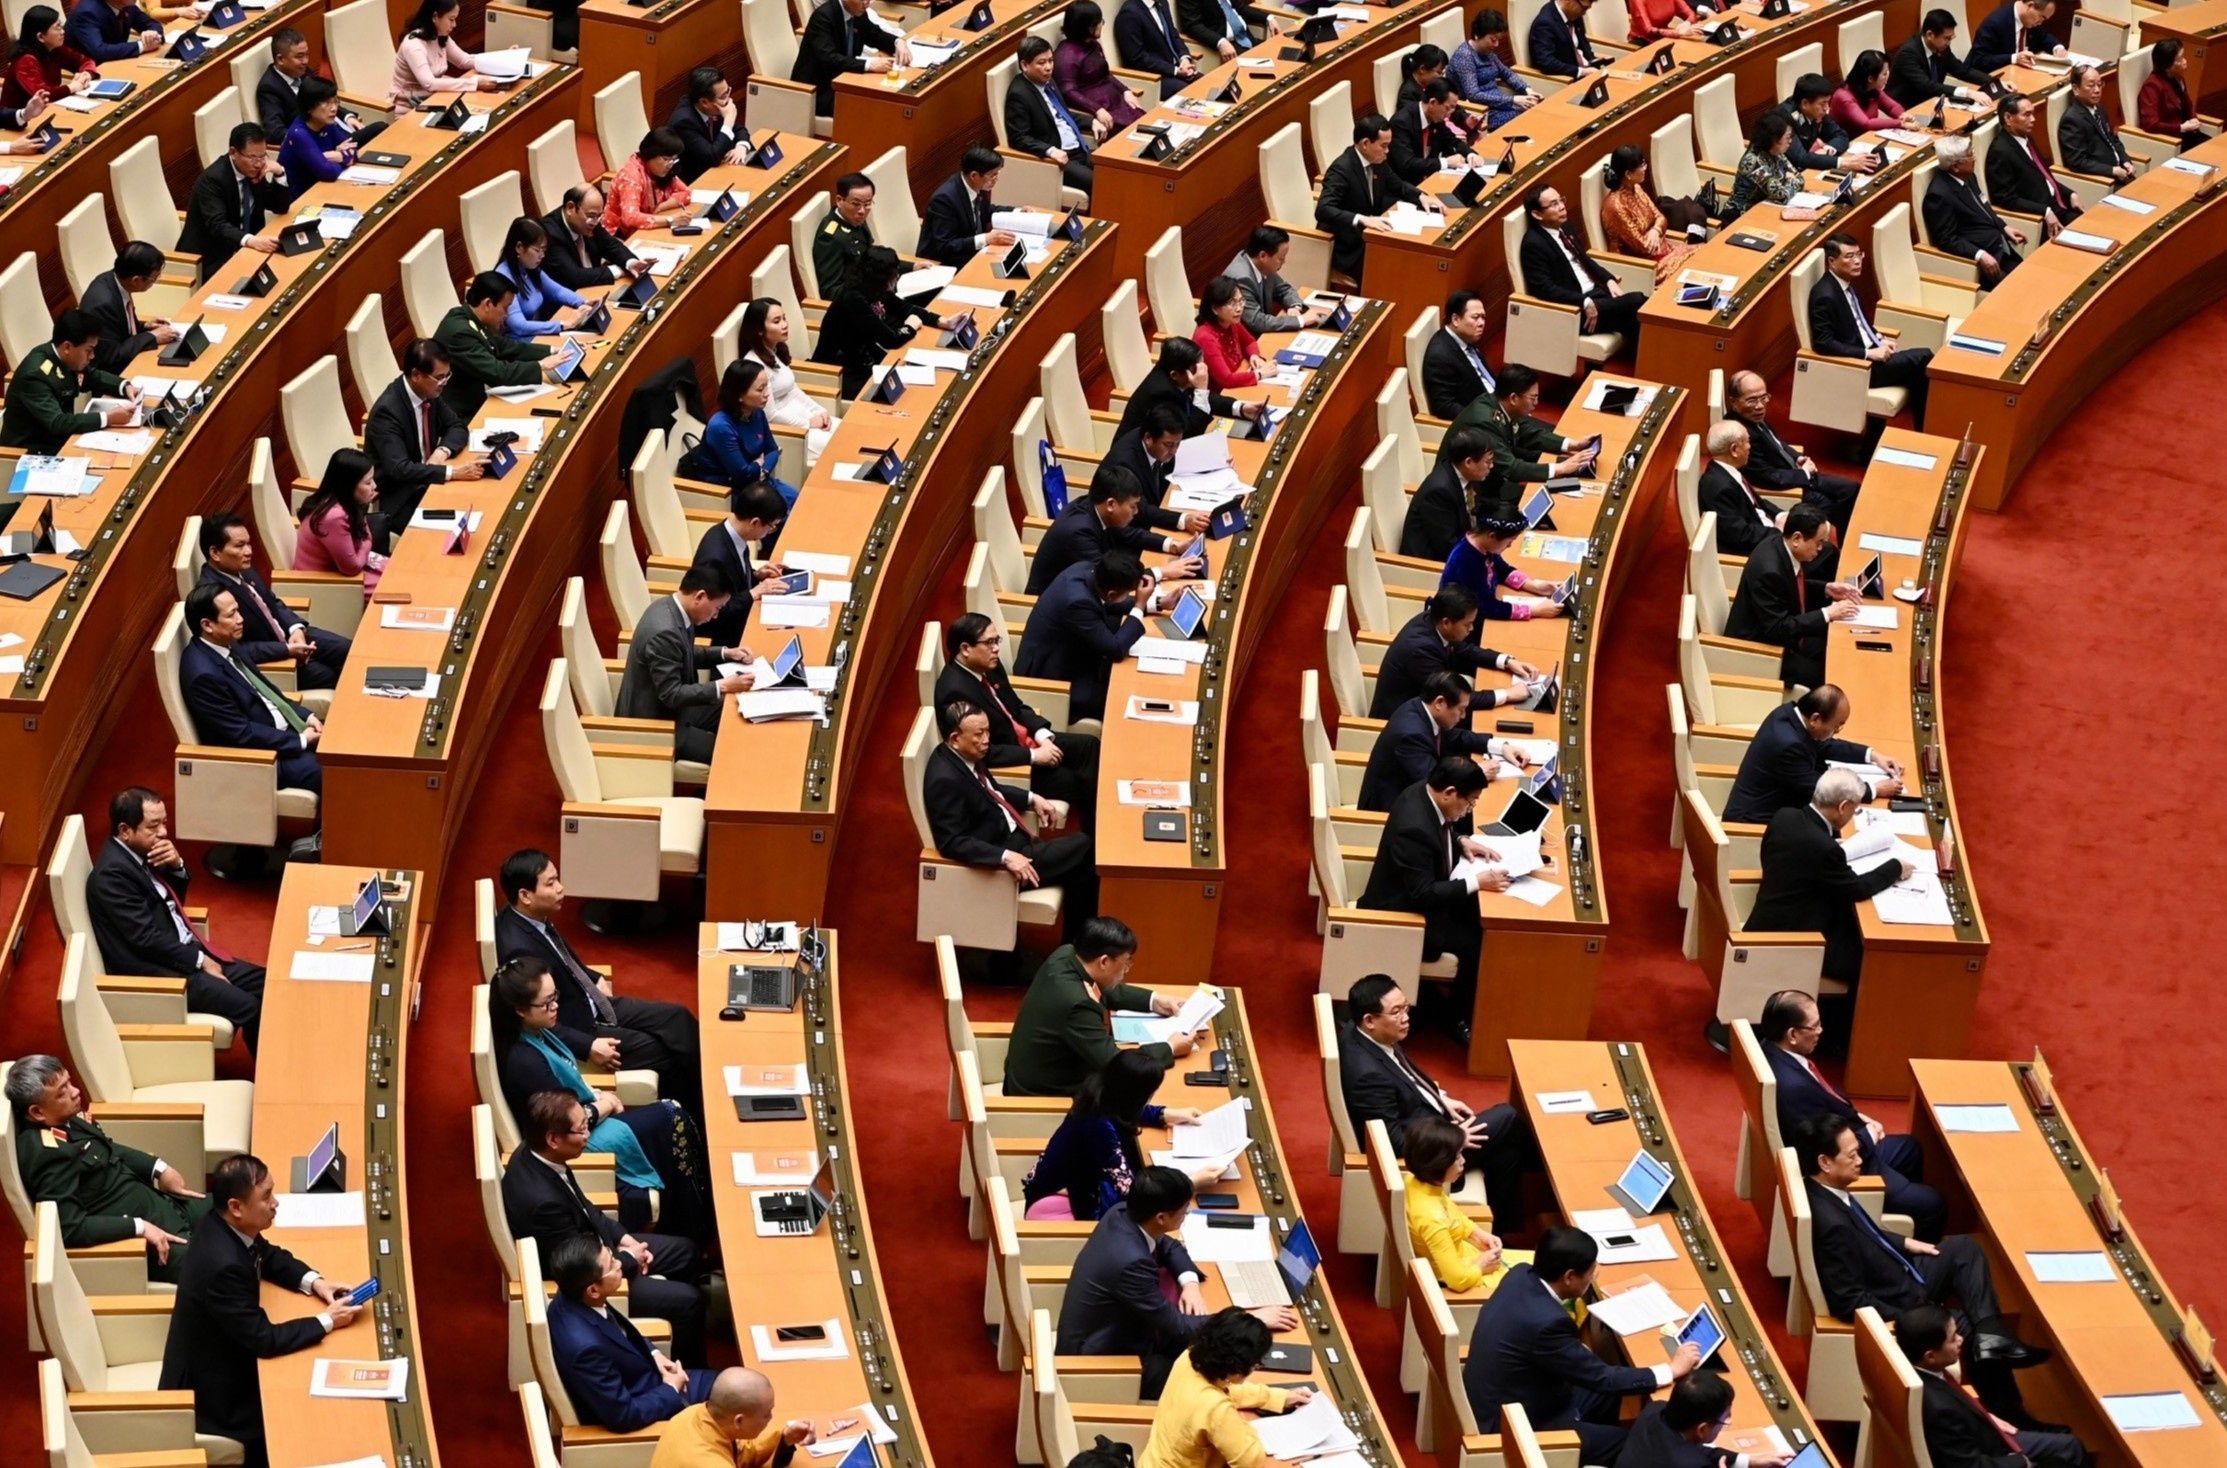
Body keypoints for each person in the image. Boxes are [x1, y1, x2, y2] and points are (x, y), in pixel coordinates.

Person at [1796, 1115, 2054, 1413]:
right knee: (1963, 1326)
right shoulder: (1832, 1226)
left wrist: (1905, 1242)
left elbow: (1866, 1234)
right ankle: (2010, 1414)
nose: (1860, 1160)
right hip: (1897, 1299)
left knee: (1962, 1249)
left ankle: (1991, 1333)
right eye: (1852, 1155)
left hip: (1898, 1273)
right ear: (1825, 1162)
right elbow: (1848, 1300)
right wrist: (1912, 1317)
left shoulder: (1826, 1190)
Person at [159, 1155, 363, 1467]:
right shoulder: (223, 1266)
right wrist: (327, 1320)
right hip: (211, 1397)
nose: (275, 1203)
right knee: (296, 1421)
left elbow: (265, 1253)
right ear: (236, 1207)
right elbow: (264, 1339)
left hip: (220, 1354)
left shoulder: (221, 1223)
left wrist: (315, 1282)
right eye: (266, 1197)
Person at [489, 955, 709, 1227]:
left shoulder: (535, 1030)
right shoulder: (526, 1063)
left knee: (670, 1118)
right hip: (572, 1138)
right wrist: (606, 1104)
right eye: (546, 1003)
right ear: (521, 1010)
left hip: (580, 1115)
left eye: (555, 996)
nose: (555, 1006)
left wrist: (597, 1097)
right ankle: (691, 1222)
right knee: (672, 1116)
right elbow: (566, 1123)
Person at [1464, 1226, 1702, 1463]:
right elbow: (1604, 1378)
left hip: (1505, 1394)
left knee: (1607, 1395)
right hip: (1515, 1425)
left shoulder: (1520, 1274)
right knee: (1626, 1442)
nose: (1593, 1277)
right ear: (1569, 1277)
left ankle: (1587, 1454)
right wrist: (1671, 1370)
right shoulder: (1547, 1323)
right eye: (1591, 1272)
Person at [501, 1090, 708, 1362]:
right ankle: (688, 1367)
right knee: (690, 1302)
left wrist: (624, 1239)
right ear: (553, 1139)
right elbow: (580, 1272)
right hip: (587, 1286)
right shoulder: (543, 1204)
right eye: (581, 1130)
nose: (588, 1135)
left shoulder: (537, 1152)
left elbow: (585, 1207)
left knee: (687, 1252)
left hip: (597, 1248)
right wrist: (628, 1259)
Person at [496, 850, 707, 1112]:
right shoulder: (519, 950)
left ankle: (707, 1083)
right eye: (550, 884)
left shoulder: (527, 916)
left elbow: (562, 960)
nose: (561, 888)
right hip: (581, 1028)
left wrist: (593, 978)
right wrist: (587, 1046)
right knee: (665, 1054)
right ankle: (693, 1118)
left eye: (557, 879)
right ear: (525, 895)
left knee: (678, 1017)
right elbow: (532, 1019)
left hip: (592, 1000)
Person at [1054, 1167, 1296, 1394]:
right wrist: (1249, 1320)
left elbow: (1168, 1246)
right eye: (1184, 1210)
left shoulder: (1122, 1213)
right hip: (1098, 1363)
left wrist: (1189, 1283)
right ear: (1161, 1217)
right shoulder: (1131, 1262)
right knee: (1207, 1377)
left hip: (1124, 1330)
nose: (1186, 1214)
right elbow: (1179, 1327)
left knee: (1207, 1351)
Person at [1342, 974, 1539, 1228]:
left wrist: (1440, 1097)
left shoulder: (1364, 1032)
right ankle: (1548, 1173)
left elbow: (1404, 1078)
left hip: (1429, 1121)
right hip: (1429, 1156)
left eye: (1406, 1007)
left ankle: (1504, 1227)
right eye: (1396, 1012)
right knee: (1507, 1118)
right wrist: (1453, 1137)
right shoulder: (1368, 1075)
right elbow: (1394, 1143)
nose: (1406, 1017)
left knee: (1506, 1149)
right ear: (1369, 1020)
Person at [84, 786, 267, 1047]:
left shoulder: (139, 853)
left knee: (270, 984)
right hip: (162, 975)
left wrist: (176, 866)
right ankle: (270, 1069)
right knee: (251, 1007)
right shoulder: (112, 876)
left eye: (165, 823)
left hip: (183, 952)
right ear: (125, 830)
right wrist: (201, 961)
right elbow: (145, 939)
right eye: (153, 826)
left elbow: (169, 904)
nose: (163, 833)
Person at [1758, 988, 1944, 1236]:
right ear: (1792, 1034)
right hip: (1842, 1168)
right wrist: (1867, 1136)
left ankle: (1891, 1219)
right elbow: (1825, 1153)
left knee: (1910, 1148)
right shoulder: (1794, 1089)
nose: (1820, 1031)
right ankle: (1905, 1253)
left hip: (1841, 1134)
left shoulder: (1772, 1050)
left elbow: (1823, 1099)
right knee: (1932, 1204)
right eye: (1814, 1026)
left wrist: (1857, 1118)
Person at [7, 1054, 212, 1278]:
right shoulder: (48, 1154)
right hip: (151, 1241)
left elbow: (109, 1149)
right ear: (37, 1112)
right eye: (62, 1092)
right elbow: (70, 1228)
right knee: (225, 1267)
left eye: (69, 1082)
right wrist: (139, 1227)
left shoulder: (67, 1118)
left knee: (234, 1201)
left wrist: (159, 1168)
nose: (75, 1092)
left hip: (164, 1205)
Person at [921, 698, 1100, 931]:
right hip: (1002, 862)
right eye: (979, 734)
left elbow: (990, 790)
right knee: (1085, 847)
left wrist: (1031, 798)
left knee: (1077, 869)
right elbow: (951, 842)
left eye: (987, 731)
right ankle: (1083, 939)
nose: (987, 740)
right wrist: (1005, 856)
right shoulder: (944, 780)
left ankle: (1076, 938)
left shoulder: (964, 754)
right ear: (955, 739)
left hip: (1015, 839)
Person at [1357, 758, 1505, 1036]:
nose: (1471, 808)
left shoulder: (1422, 791)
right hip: (1403, 916)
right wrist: (1478, 881)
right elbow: (1423, 894)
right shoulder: (1414, 829)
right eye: (1470, 801)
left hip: (1421, 896)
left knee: (1476, 915)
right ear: (1449, 792)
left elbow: (1439, 830)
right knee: (1478, 942)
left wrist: (1460, 840)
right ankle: (1457, 1019)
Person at [1745, 769, 1909, 984]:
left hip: (1770, 914)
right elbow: (1857, 889)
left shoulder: (1784, 816)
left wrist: (1830, 843)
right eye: (1855, 809)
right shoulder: (1825, 849)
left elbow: (1801, 853)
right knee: (1874, 963)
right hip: (1795, 939)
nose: (1853, 814)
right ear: (1843, 807)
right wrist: (1896, 867)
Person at [542, 1233, 716, 1431]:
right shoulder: (586, 1350)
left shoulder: (572, 1292)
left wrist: (655, 1354)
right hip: (653, 1402)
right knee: (734, 1391)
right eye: (611, 1265)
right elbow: (624, 1415)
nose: (619, 1264)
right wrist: (672, 1389)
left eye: (611, 1255)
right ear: (593, 1290)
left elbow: (621, 1332)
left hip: (649, 1374)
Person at [936, 611, 1102, 818]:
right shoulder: (955, 692)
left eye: (997, 641)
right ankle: (1096, 831)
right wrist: (1034, 756)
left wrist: (1043, 736)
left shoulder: (989, 665)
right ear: (965, 649)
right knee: (1081, 782)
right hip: (1013, 759)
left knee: (1089, 745)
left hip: (1025, 739)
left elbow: (1016, 706)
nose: (996, 648)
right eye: (989, 643)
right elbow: (978, 750)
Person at [1003, 916, 1188, 1096]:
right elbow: (1118, 1066)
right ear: (1104, 961)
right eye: (1126, 963)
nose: (1126, 970)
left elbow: (1103, 987)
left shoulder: (1067, 954)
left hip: (1035, 1073)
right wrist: (1169, 1048)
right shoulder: (1078, 1005)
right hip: (1044, 1094)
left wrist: (1155, 1001)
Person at [177, 583, 324, 799]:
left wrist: (307, 716)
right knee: (335, 771)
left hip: (283, 732)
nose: (241, 619)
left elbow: (267, 691)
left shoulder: (227, 643)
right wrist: (301, 740)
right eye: (231, 615)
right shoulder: (203, 675)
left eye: (238, 610)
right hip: (264, 757)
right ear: (207, 625)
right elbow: (241, 734)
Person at [1023, 1050, 1210, 1219]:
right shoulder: (1100, 1128)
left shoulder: (1097, 1093)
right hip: (1060, 1208)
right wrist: (1189, 1183)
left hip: (1070, 1188)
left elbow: (1120, 1108)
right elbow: (1131, 1191)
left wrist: (1164, 1114)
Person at [1896, 1306, 2089, 1467]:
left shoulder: (1911, 1366)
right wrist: (2020, 1462)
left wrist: (1986, 1416)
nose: (1961, 1339)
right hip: (1991, 1452)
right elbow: (1969, 1465)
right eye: (1953, 1338)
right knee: (2068, 1453)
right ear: (1930, 1356)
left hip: (1980, 1430)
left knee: (2069, 1446)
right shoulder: (1939, 1410)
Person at [612, 563, 753, 766]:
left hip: (673, 709)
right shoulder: (664, 632)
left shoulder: (670, 607)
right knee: (730, 751)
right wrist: (722, 686)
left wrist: (725, 653)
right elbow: (672, 694)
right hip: (655, 725)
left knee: (736, 707)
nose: (716, 616)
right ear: (700, 596)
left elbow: (683, 653)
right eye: (717, 608)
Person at [1139, 1307, 1314, 1467]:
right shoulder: (1215, 1409)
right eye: (1256, 1364)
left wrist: (1277, 1398)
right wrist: (1245, 1429)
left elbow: (1227, 1388)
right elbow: (1250, 1460)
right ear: (1237, 1367)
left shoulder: (1190, 1357)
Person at [198, 513, 351, 690]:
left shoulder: (242, 568)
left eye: (248, 544)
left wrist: (295, 629)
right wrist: (286, 650)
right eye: (240, 546)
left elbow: (272, 601)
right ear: (215, 553)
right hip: (275, 659)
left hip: (289, 635)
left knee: (349, 651)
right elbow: (234, 649)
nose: (248, 551)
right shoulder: (213, 595)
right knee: (333, 675)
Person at [1808, 232, 1935, 443]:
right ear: (1832, 261)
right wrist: (1868, 353)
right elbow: (1823, 343)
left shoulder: (1845, 284)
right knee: (1924, 357)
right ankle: (1924, 432)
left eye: (1859, 254)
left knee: (1917, 372)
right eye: (1849, 256)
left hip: (1868, 355)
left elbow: (1859, 322)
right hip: (1858, 367)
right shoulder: (1825, 295)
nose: (1857, 261)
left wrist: (1879, 338)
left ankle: (1874, 443)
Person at [1724, 686, 1902, 825]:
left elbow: (1826, 745)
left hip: (1777, 805)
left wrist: (1874, 756)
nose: (1836, 731)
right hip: (1753, 822)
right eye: (1836, 726)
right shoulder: (1790, 746)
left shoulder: (1790, 715)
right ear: (1816, 719)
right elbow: (1824, 790)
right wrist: (1873, 790)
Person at [1723, 504, 1856, 688]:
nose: (1820, 548)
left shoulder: (1780, 545)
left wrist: (1826, 589)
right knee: (1830, 676)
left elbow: (1791, 587)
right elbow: (1778, 628)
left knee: (1838, 641)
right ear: (1797, 538)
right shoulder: (1769, 572)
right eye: (1818, 542)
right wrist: (1827, 613)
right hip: (1761, 650)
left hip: (1783, 634)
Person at [1369, 584, 1541, 718]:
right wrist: (1507, 694)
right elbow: (1452, 695)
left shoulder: (1432, 620)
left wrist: (1508, 661)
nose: (1471, 629)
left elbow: (1464, 648)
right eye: (1467, 624)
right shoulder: (1421, 651)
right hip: (1402, 722)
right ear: (1446, 623)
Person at [1358, 671, 1518, 811]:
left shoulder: (1422, 708)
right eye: (1461, 710)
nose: (1463, 716)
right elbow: (1435, 785)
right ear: (1440, 703)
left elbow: (1454, 736)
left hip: (1415, 798)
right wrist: (1476, 773)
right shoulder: (1411, 736)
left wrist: (1500, 746)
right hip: (1389, 812)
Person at [1403, 1115, 1527, 1295]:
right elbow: (1458, 1280)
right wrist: (1481, 1265)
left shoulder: (1415, 1181)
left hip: (1470, 1254)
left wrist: (1477, 1233)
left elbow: (1453, 1213)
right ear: (1438, 1164)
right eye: (1456, 1158)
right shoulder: (1432, 1220)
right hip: (1471, 1280)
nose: (1463, 1161)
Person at [812, 243, 950, 399]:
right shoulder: (853, 298)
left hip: (865, 359)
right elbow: (890, 340)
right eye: (894, 275)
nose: (897, 278)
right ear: (880, 277)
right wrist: (910, 327)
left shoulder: (873, 288)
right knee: (909, 395)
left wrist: (941, 320)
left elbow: (904, 308)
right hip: (839, 372)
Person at [365, 340, 479, 528]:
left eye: (447, 376)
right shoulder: (387, 412)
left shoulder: (429, 392)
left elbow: (457, 426)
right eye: (440, 377)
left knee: (478, 501)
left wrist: (441, 453)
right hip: (401, 496)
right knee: (452, 529)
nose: (444, 383)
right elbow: (400, 469)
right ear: (416, 375)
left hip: (429, 478)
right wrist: (452, 472)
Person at [1722, 371, 1859, 525]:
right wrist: (1803, 473)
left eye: (1763, 397)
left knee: (1850, 488)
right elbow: (1764, 476)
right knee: (1834, 502)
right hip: (1784, 484)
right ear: (1733, 402)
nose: (1760, 406)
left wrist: (1797, 458)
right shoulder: (1741, 434)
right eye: (1751, 400)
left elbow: (1778, 443)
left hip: (1793, 471)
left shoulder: (1752, 416)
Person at [1029, 470, 1199, 594]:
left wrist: (1174, 546)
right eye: (1133, 506)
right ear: (1111, 504)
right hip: (1051, 605)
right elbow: (1107, 579)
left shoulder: (1096, 508)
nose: (1136, 512)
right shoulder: (1080, 532)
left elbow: (1130, 534)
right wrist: (1162, 572)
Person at [1317, 114, 1438, 285]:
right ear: (1366, 144)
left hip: (1372, 236)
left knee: (1412, 255)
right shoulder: (1341, 170)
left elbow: (1397, 184)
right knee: (1395, 269)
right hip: (1349, 247)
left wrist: (1421, 196)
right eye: (1384, 146)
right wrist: (1362, 219)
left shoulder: (1377, 161)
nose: (1388, 151)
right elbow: (1323, 209)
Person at [1519, 184, 1645, 344]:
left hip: (1597, 295)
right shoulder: (1533, 244)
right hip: (1577, 309)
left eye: (1561, 200)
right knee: (1637, 300)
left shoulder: (1565, 227)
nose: (1562, 207)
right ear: (1537, 214)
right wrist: (1583, 302)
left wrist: (1608, 280)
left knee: (1634, 321)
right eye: (1554, 204)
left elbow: (1586, 260)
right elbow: (1544, 289)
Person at [0, 309, 135, 455]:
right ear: (67, 347)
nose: (92, 356)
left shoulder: (65, 358)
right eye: (88, 350)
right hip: (30, 454)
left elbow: (92, 376)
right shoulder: (35, 376)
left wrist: (124, 386)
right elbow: (57, 422)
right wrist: (107, 418)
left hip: (59, 440)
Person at [1441, 363, 1600, 484]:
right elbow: (1511, 468)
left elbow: (1525, 432)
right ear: (1513, 398)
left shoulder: (1498, 403)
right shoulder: (1485, 423)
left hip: (1492, 475)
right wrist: (1561, 468)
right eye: (1533, 398)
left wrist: (1574, 445)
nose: (1536, 403)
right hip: (1472, 490)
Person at [434, 272, 558, 419]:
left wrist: (551, 351)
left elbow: (504, 346)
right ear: (488, 304)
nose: (507, 315)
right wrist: (541, 365)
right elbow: (497, 372)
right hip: (460, 416)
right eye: (505, 308)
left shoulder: (470, 316)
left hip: (478, 400)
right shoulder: (460, 333)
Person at [176, 124, 291, 277]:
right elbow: (218, 225)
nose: (258, 163)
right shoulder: (212, 180)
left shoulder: (253, 171)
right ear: (233, 152)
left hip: (248, 251)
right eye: (252, 157)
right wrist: (251, 241)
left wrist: (279, 173)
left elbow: (279, 207)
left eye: (262, 156)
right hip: (212, 258)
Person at [688, 480, 788, 649]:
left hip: (742, 620)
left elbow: (734, 579)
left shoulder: (733, 534)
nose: (769, 532)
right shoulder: (715, 558)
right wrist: (754, 593)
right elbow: (713, 613)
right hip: (725, 640)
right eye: (771, 527)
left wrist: (756, 575)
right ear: (754, 522)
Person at [650, 1368, 815, 1468]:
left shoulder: (695, 1414)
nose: (771, 1418)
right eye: (766, 1415)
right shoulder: (708, 1462)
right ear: (739, 1420)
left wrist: (785, 1438)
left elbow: (741, 1451)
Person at [1623, 1371, 1793, 1467]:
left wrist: (1750, 1460)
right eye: (1725, 1418)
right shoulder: (1694, 1465)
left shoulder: (1655, 1410)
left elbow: (1693, 1449)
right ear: (1702, 1429)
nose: (1729, 1422)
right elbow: (1691, 1456)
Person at [691, 360, 797, 512]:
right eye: (760, 389)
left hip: (758, 481)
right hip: (729, 491)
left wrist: (762, 470)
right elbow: (743, 474)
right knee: (781, 514)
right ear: (739, 395)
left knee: (799, 500)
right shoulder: (721, 426)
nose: (767, 394)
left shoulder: (757, 413)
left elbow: (772, 450)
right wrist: (758, 465)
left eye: (766, 386)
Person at [1116, 336, 1266, 438]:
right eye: (1197, 368)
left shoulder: (1174, 371)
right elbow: (1189, 435)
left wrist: (1240, 408)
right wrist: (1201, 389)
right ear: (1175, 375)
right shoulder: (1161, 395)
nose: (1202, 371)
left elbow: (1200, 398)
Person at [290, 450, 385, 602]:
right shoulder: (333, 516)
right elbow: (352, 568)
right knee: (401, 587)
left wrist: (364, 542)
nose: (374, 486)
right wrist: (367, 542)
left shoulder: (342, 500)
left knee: (404, 572)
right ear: (349, 485)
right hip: (326, 583)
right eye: (368, 483)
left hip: (345, 566)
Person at [1007, 35, 1096, 196]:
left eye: (1050, 61)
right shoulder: (1019, 95)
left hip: (1080, 149)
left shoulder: (1049, 82)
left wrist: (1092, 122)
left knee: (1113, 169)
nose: (1048, 67)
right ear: (1025, 65)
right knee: (1100, 181)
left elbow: (1063, 114)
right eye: (1042, 63)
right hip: (1059, 159)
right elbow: (1018, 138)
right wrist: (1049, 150)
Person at [1443, 508, 1565, 626]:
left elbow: (1502, 569)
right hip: (1465, 622)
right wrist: (1534, 610)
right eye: (1509, 541)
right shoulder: (1467, 561)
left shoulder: (1484, 544)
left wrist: (1533, 585)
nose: (1509, 546)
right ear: (1492, 536)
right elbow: (1486, 607)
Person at [1599, 146, 1699, 286]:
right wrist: (1657, 231)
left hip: (1666, 251)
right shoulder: (1615, 206)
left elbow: (1661, 218)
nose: (1646, 168)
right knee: (1698, 262)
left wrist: (1655, 230)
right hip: (1645, 266)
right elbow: (1644, 247)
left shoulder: (1636, 188)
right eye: (1642, 165)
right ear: (1628, 174)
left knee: (1705, 253)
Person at [1102, 408, 1208, 535]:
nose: (1174, 451)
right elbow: (1140, 509)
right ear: (1148, 438)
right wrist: (1183, 520)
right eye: (1169, 445)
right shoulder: (1126, 464)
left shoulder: (1151, 442)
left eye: (1178, 444)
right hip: (1125, 533)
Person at [793, 0, 907, 115]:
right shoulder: (823, 17)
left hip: (845, 80)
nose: (866, 3)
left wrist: (898, 42)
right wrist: (869, 65)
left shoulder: (858, 14)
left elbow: (875, 35)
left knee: (884, 96)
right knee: (872, 105)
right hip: (818, 90)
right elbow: (829, 58)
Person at [1403, 426, 1498, 563]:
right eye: (1488, 462)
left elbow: (1479, 509)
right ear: (1469, 462)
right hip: (1432, 564)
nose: (1491, 466)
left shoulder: (1467, 474)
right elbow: (1447, 546)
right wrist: (1486, 547)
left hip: (1464, 544)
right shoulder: (1439, 492)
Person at [1987, 94, 2081, 231]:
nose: (2033, 119)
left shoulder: (2027, 139)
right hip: (2040, 220)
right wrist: (2045, 211)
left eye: (2032, 113)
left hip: (2059, 206)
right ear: (2008, 118)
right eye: (2027, 115)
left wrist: (2070, 194)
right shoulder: (2000, 152)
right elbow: (2005, 199)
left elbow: (2044, 178)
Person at [1698, 420, 1789, 558]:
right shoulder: (1720, 488)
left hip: (1765, 530)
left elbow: (1755, 503)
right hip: (1760, 550)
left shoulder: (1727, 470)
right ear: (1734, 450)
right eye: (1747, 441)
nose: (1749, 447)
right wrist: (1779, 532)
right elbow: (1740, 535)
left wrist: (1780, 515)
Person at [921, 146, 1020, 268]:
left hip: (972, 254)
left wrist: (1018, 211)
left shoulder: (977, 184)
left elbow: (986, 210)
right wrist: (986, 239)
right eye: (992, 175)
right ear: (974, 175)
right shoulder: (944, 200)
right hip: (943, 264)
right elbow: (945, 246)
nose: (996, 180)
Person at [494, 218, 591, 339]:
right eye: (537, 250)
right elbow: (519, 326)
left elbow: (557, 291)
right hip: (520, 341)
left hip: (539, 334)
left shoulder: (529, 268)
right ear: (519, 247)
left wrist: (584, 302)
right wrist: (563, 324)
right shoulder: (503, 277)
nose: (542, 255)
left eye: (544, 250)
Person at [1057, 1, 1145, 132]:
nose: (1102, 25)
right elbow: (1068, 92)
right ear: (1088, 27)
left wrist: (1125, 91)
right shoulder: (1066, 55)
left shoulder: (1093, 44)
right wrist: (1096, 109)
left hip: (1117, 103)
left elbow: (1105, 74)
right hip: (1100, 113)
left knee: (1148, 125)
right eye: (1099, 22)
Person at [393, 0, 500, 106]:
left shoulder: (440, 36)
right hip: (408, 107)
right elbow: (429, 83)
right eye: (451, 19)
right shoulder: (414, 44)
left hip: (434, 100)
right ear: (435, 16)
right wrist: (474, 83)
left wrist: (502, 59)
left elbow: (465, 60)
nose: (454, 25)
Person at [541, 184, 646, 290]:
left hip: (595, 287)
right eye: (591, 216)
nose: (595, 222)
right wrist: (619, 270)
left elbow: (610, 245)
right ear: (570, 208)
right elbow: (575, 276)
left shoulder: (590, 220)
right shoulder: (549, 234)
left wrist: (630, 263)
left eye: (599, 216)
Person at [273, 77, 357, 204]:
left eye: (335, 101)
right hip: (301, 201)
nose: (334, 108)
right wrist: (344, 158)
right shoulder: (299, 134)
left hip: (325, 190)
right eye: (327, 103)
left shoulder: (326, 123)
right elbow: (328, 173)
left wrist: (340, 157)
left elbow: (353, 150)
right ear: (309, 106)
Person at [1450, 9, 1537, 130]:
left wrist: (1527, 89)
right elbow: (1473, 95)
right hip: (1484, 112)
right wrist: (1512, 100)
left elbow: (1507, 74)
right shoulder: (1465, 56)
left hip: (1501, 105)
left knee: (1536, 108)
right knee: (1530, 117)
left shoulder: (1488, 52)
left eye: (1498, 40)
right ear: (1477, 35)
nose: (1496, 44)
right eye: (1493, 40)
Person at [1887, 10, 1994, 109]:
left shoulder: (1941, 47)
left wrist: (1992, 81)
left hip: (1931, 102)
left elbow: (1962, 71)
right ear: (1930, 35)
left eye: (1951, 38)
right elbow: (1927, 86)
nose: (1949, 43)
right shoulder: (1908, 53)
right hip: (1905, 109)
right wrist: (1967, 93)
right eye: (1946, 38)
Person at [5, 8, 94, 116]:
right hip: (20, 120)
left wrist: (87, 73)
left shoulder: (55, 48)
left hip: (49, 110)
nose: (63, 32)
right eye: (57, 28)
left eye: (61, 26)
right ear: (40, 37)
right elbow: (43, 94)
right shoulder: (25, 60)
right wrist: (72, 87)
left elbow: (84, 60)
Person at [2056, 63, 2135, 184]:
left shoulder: (2099, 109)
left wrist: (2126, 161)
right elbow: (2077, 162)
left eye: (2099, 84)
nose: (2097, 90)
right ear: (2076, 89)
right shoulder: (2071, 120)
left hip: (2122, 173)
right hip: (2104, 181)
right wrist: (2112, 171)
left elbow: (2113, 139)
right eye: (2091, 85)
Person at [1423, 290, 1498, 418]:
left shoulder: (1466, 338)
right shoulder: (1440, 357)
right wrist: (1486, 418)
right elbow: (1444, 406)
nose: (1481, 323)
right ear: (1456, 319)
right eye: (1475, 317)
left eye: (1483, 317)